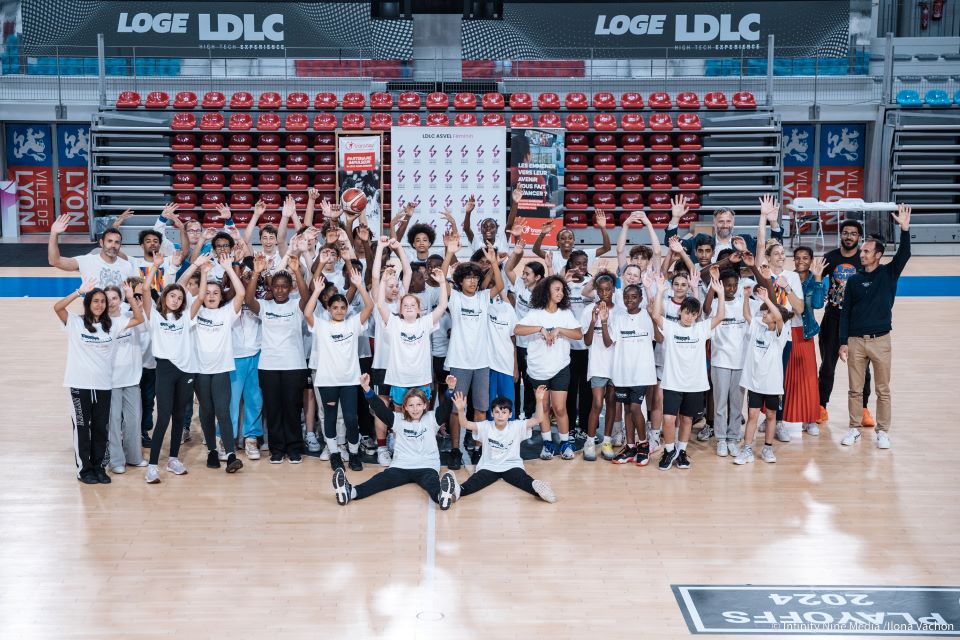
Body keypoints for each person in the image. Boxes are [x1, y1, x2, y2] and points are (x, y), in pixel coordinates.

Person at [56, 277, 143, 484]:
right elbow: (57, 307)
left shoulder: (112, 325)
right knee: (82, 429)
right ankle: (84, 470)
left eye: (103, 301)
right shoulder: (76, 322)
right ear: (88, 303)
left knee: (100, 429)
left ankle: (98, 467)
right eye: (95, 301)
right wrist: (79, 292)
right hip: (80, 385)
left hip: (103, 386)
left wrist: (130, 298)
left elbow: (139, 319)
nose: (100, 304)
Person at [839, 205, 912, 449]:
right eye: (862, 250)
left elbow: (904, 254)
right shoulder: (854, 280)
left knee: (883, 390)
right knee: (854, 390)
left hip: (881, 340)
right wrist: (843, 342)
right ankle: (854, 429)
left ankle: (883, 431)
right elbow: (845, 313)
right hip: (856, 341)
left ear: (878, 255)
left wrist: (904, 229)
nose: (861, 254)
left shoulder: (889, 273)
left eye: (866, 251)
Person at [332, 374, 460, 510]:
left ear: (425, 405)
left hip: (427, 466)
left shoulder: (432, 418)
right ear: (405, 407)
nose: (415, 409)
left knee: (433, 485)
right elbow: (379, 408)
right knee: (379, 480)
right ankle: (350, 492)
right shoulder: (397, 419)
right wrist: (366, 388)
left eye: (418, 405)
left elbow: (446, 407)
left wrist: (450, 389)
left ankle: (442, 497)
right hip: (401, 466)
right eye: (411, 405)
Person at [305, 264, 376, 471]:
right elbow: (307, 312)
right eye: (334, 307)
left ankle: (353, 454)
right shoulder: (322, 325)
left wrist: (360, 285)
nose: (338, 311)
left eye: (342, 307)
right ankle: (334, 454)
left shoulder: (352, 324)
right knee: (329, 418)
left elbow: (369, 307)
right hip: (327, 381)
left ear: (346, 309)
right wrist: (317, 291)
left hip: (349, 380)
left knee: (351, 419)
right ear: (328, 309)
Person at [651, 272, 725, 470]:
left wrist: (720, 294)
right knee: (669, 419)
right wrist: (660, 291)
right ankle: (669, 451)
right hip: (672, 383)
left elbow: (720, 316)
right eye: (686, 313)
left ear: (696, 315)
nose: (689, 316)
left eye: (693, 314)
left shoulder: (701, 329)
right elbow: (656, 315)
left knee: (686, 419)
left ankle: (681, 451)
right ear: (680, 312)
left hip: (694, 384)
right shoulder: (671, 328)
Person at [244, 252, 310, 464]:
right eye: (276, 286)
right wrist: (256, 273)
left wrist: (297, 272)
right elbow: (248, 300)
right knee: (273, 409)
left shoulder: (296, 305)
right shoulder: (265, 306)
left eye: (284, 286)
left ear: (290, 288)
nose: (280, 290)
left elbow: (307, 298)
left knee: (292, 408)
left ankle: (294, 448)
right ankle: (277, 449)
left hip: (294, 365)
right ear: (271, 288)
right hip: (269, 366)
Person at [443, 243, 504, 470]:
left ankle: (479, 448)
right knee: (455, 409)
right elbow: (442, 279)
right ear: (460, 281)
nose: (472, 281)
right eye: (468, 278)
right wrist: (450, 252)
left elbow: (500, 285)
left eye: (475, 277)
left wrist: (494, 263)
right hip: (459, 362)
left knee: (480, 408)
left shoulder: (483, 297)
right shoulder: (455, 298)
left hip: (481, 363)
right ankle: (455, 449)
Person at [514, 275, 585, 460]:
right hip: (538, 369)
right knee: (543, 408)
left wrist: (559, 330)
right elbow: (517, 329)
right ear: (547, 291)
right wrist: (540, 329)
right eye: (557, 290)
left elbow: (578, 334)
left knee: (560, 408)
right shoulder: (535, 313)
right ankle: (547, 444)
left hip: (560, 368)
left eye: (562, 290)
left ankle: (565, 443)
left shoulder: (565, 314)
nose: (561, 293)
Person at [446, 387, 556, 503]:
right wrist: (461, 410)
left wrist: (539, 400)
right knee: (476, 481)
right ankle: (458, 490)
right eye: (497, 412)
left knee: (523, 480)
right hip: (490, 466)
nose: (500, 415)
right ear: (492, 413)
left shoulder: (516, 426)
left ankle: (539, 489)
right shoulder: (486, 426)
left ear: (510, 414)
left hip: (511, 465)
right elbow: (465, 424)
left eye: (504, 412)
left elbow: (538, 419)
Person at [140, 255, 196, 483]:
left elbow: (201, 296)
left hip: (186, 371)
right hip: (164, 369)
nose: (176, 300)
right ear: (164, 297)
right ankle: (152, 466)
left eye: (180, 297)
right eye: (172, 295)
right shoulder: (154, 317)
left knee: (179, 415)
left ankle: (173, 459)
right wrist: (155, 266)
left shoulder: (185, 317)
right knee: (163, 416)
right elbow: (145, 290)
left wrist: (201, 271)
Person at [190, 255, 245, 474]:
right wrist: (203, 273)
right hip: (200, 371)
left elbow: (241, 293)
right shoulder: (195, 311)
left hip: (221, 370)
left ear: (221, 296)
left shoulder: (226, 313)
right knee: (206, 410)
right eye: (208, 293)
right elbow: (197, 294)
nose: (211, 296)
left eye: (216, 293)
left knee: (222, 411)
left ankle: (230, 454)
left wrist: (228, 268)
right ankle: (212, 450)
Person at [818, 219, 873, 426]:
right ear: (841, 235)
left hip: (858, 322)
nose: (849, 237)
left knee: (863, 369)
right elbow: (814, 278)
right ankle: (821, 406)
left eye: (853, 233)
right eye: (846, 233)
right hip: (833, 319)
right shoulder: (830, 258)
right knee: (827, 366)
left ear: (859, 237)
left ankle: (864, 409)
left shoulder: (864, 259)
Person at [602, 283, 661, 466]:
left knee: (635, 408)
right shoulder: (618, 316)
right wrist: (603, 321)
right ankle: (630, 447)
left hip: (642, 373)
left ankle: (643, 445)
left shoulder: (647, 315)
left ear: (641, 299)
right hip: (622, 373)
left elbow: (660, 338)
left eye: (634, 297)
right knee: (627, 409)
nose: (630, 300)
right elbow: (608, 342)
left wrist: (654, 318)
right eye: (627, 297)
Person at [733, 286, 791, 464]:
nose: (764, 314)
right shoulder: (758, 326)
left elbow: (779, 317)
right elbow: (746, 315)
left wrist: (767, 299)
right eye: (764, 311)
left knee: (771, 416)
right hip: (755, 383)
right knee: (752, 416)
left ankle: (767, 448)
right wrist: (745, 297)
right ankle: (747, 449)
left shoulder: (781, 333)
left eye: (767, 312)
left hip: (772, 384)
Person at [701, 268, 748, 457]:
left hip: (740, 362)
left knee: (736, 403)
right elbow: (705, 310)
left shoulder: (744, 303)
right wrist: (713, 285)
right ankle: (721, 438)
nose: (732, 288)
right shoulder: (715, 303)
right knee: (720, 403)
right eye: (728, 285)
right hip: (720, 360)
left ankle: (733, 438)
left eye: (735, 285)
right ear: (721, 285)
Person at [103, 284, 148, 474]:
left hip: (131, 379)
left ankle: (134, 457)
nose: (111, 302)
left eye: (114, 298)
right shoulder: (100, 323)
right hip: (110, 381)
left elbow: (142, 320)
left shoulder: (131, 316)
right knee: (113, 422)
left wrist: (132, 299)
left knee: (133, 420)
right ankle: (116, 461)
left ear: (120, 299)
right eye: (107, 299)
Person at [664, 195, 784, 260]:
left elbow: (775, 246)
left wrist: (773, 222)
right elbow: (671, 243)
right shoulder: (700, 240)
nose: (725, 225)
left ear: (733, 223)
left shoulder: (745, 241)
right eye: (721, 221)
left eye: (728, 221)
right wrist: (675, 218)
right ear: (714, 223)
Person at [786, 247, 827, 435]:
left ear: (811, 260)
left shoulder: (814, 280)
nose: (801, 261)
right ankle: (776, 418)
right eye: (797, 258)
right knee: (783, 376)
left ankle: (810, 419)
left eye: (805, 258)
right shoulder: (787, 278)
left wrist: (818, 278)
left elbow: (818, 304)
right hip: (785, 332)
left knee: (808, 378)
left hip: (804, 333)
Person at [503, 238, 545, 419]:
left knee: (529, 382)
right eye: (524, 273)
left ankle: (528, 416)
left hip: (532, 344)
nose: (523, 276)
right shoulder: (520, 285)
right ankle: (513, 414)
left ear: (538, 277)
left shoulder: (543, 295)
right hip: (515, 342)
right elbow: (508, 269)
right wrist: (517, 252)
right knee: (514, 379)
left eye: (527, 274)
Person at [581, 273, 617, 461]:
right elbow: (587, 341)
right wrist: (593, 320)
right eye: (601, 290)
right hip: (597, 364)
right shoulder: (588, 310)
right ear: (596, 290)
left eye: (608, 290)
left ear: (613, 290)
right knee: (597, 403)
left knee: (611, 402)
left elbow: (609, 342)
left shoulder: (619, 311)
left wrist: (604, 321)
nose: (604, 293)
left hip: (615, 365)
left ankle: (607, 441)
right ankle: (589, 441)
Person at [230, 265, 264, 460]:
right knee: (231, 402)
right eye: (242, 276)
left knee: (254, 400)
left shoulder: (260, 300)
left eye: (249, 276)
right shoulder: (228, 299)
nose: (246, 278)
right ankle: (226, 438)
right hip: (234, 356)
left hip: (256, 354)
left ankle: (251, 438)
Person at [48, 214, 134, 288]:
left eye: (117, 242)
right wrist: (53, 233)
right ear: (101, 243)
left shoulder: (126, 265)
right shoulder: (86, 261)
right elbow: (55, 261)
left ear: (120, 245)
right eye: (109, 241)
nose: (113, 245)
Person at [532, 211, 611, 275]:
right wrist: (542, 234)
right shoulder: (552, 256)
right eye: (562, 238)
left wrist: (603, 227)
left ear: (574, 242)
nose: (567, 240)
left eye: (570, 238)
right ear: (557, 243)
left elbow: (606, 248)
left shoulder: (583, 254)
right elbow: (536, 250)